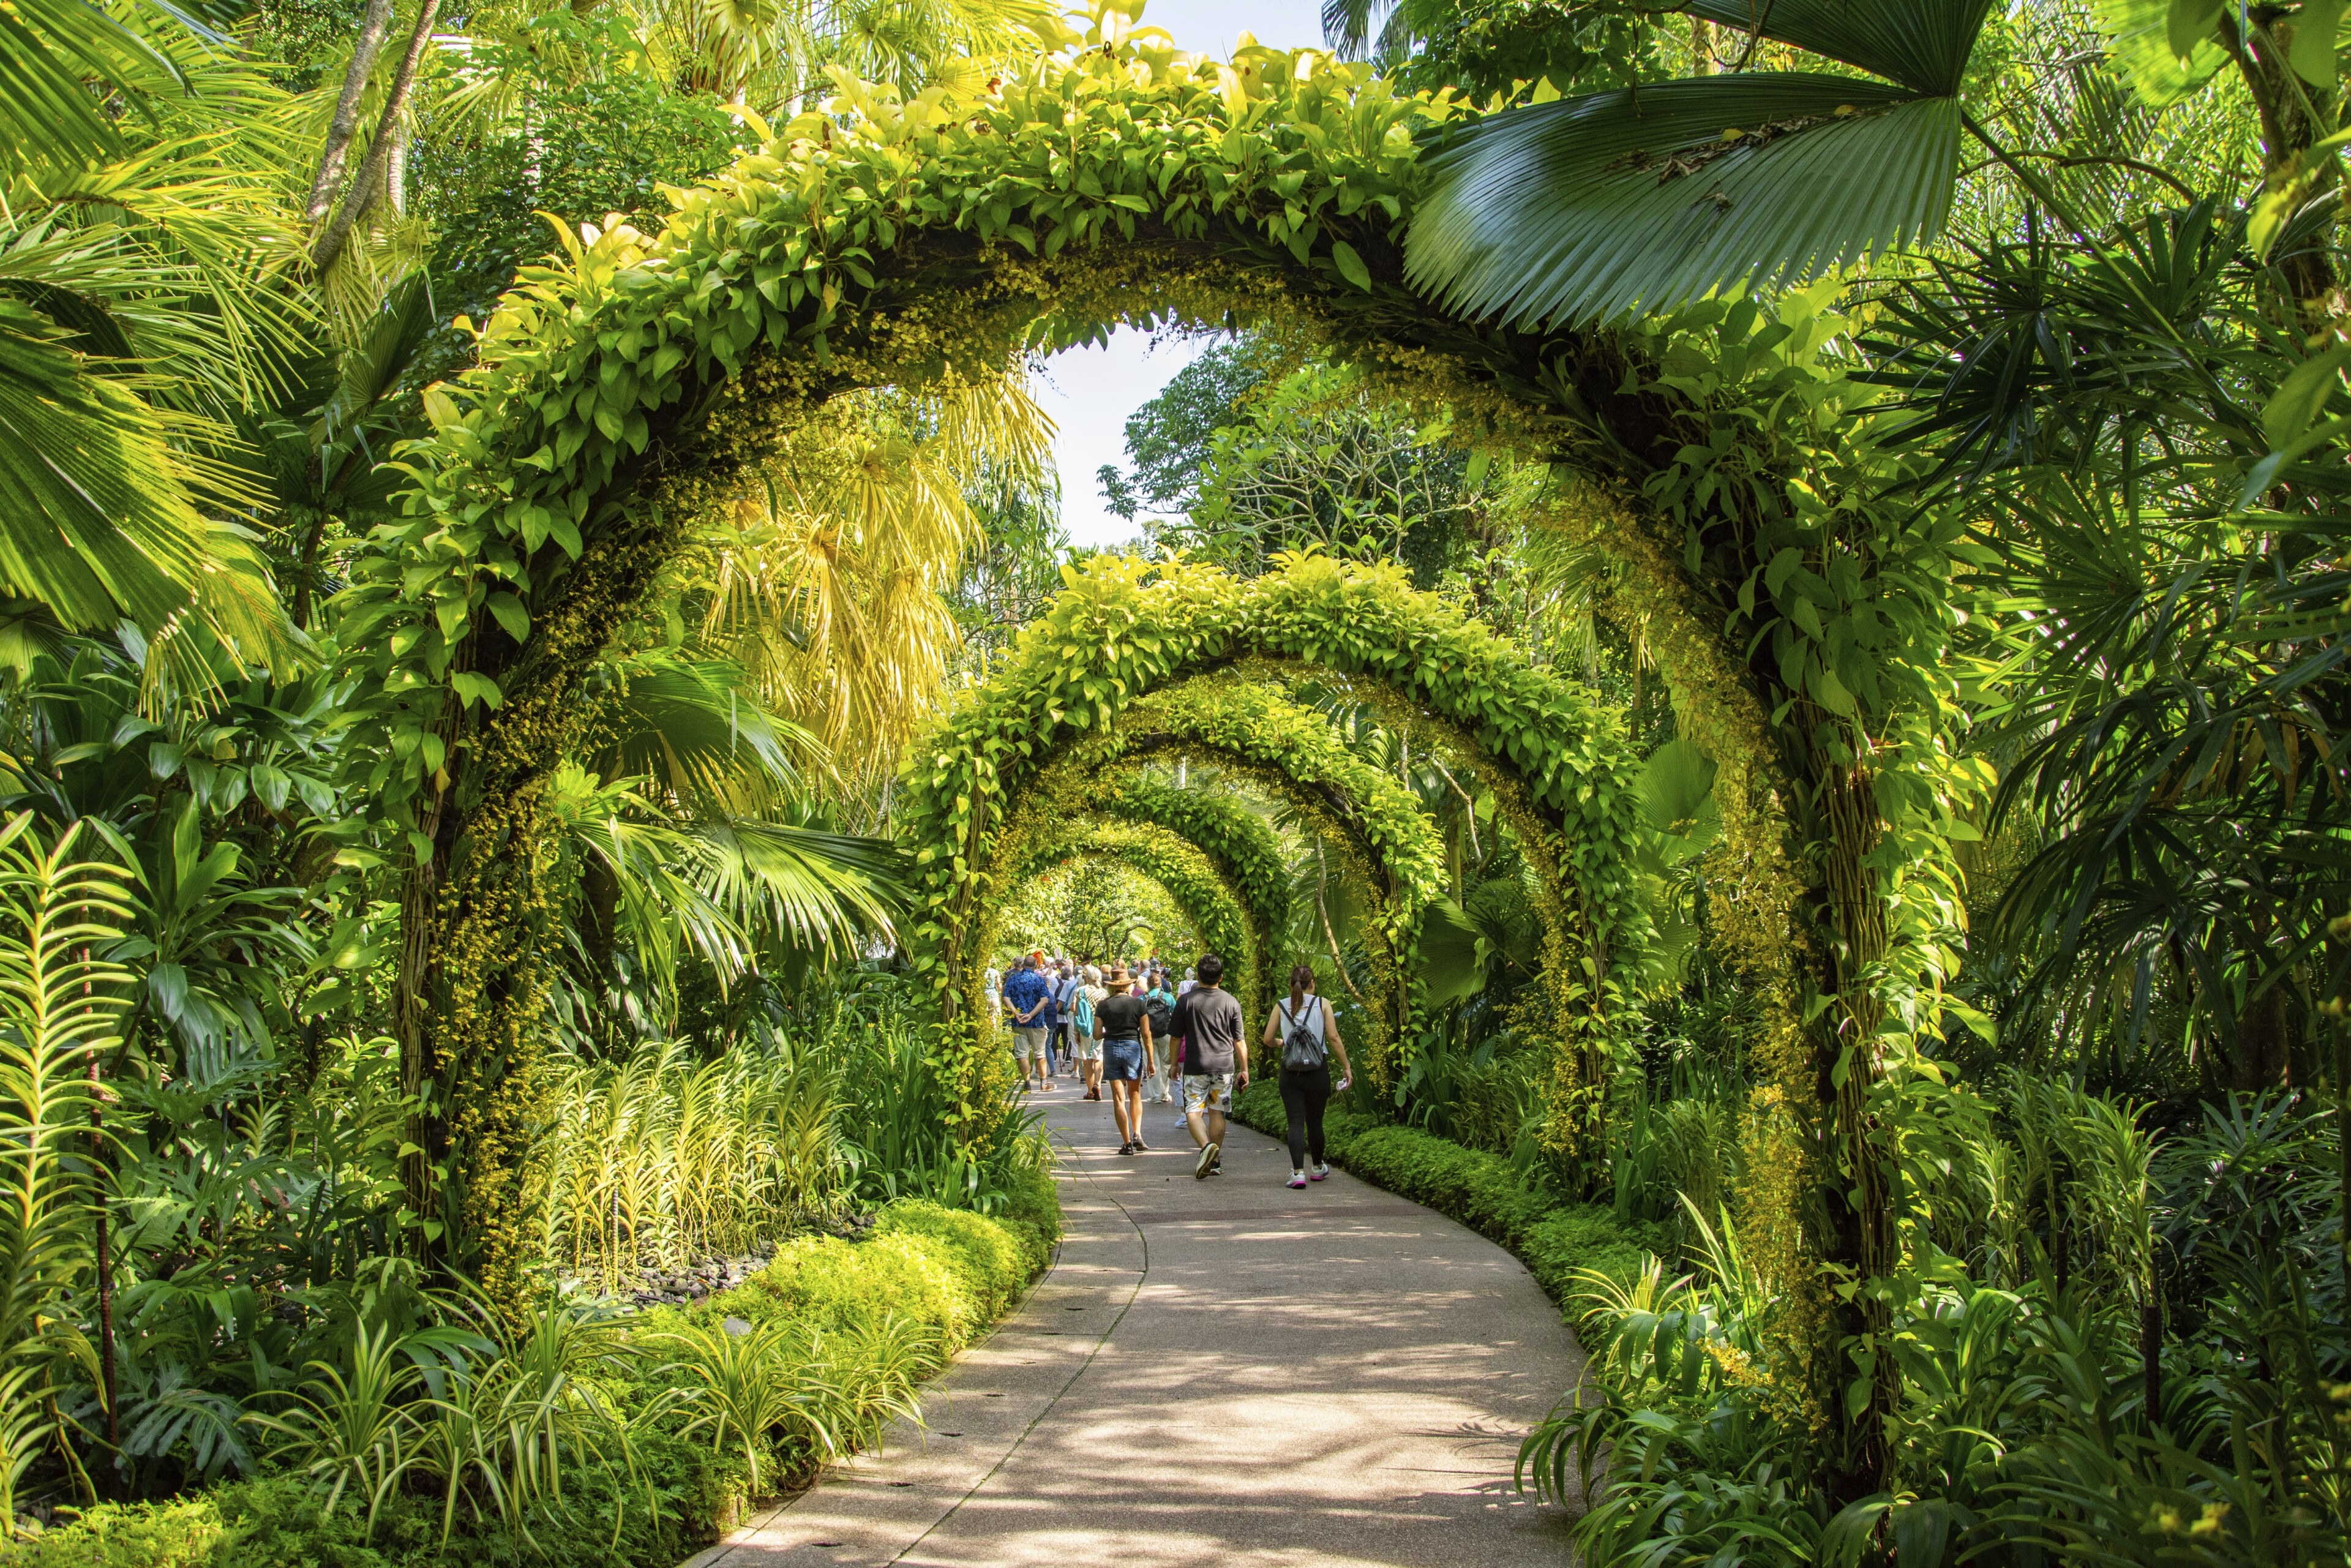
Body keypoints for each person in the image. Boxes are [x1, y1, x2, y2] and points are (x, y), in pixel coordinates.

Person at [1261, 963, 1352, 1188]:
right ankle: (1318, 1167)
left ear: (1290, 984)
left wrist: (1282, 1043)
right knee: (1315, 1122)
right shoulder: (1323, 1004)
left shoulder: (1280, 1006)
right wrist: (1346, 1066)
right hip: (1317, 1071)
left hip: (1290, 1072)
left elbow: (1267, 1039)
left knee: (1295, 1122)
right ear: (1312, 983)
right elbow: (1333, 1037)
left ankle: (1298, 1173)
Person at [1169, 953, 1247, 1179]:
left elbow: (1175, 1037)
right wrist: (1245, 1069)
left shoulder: (1186, 1001)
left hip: (1196, 1066)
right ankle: (1215, 1160)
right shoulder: (1231, 1001)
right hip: (1224, 1066)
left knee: (1193, 1112)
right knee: (1217, 1113)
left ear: (1199, 977)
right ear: (1221, 977)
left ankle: (1205, 1148)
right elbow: (1239, 1041)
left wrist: (1174, 1064)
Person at [1095, 964, 1153, 1154]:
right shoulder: (1138, 1004)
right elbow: (1146, 1034)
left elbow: (1096, 1034)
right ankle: (1138, 1134)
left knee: (1118, 1098)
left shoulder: (1103, 1005)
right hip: (1132, 1048)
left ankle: (1127, 1144)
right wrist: (1151, 1061)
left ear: (1111, 986)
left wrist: (1111, 1032)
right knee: (1135, 1093)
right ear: (1128, 985)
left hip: (1111, 1047)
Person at [1000, 956, 1053, 1091]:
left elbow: (1005, 997)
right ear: (1036, 966)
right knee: (1040, 1053)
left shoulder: (1013, 979)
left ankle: (1027, 1084)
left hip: (1018, 1022)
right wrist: (1031, 1015)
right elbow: (1045, 1000)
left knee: (1022, 1053)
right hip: (1036, 1022)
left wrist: (1016, 1013)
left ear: (1023, 965)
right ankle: (1043, 1083)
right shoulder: (1039, 980)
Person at [1074, 964, 1108, 1101]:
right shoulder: (1105, 993)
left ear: (1087, 978)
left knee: (1087, 1059)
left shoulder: (1081, 991)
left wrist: (1076, 1031)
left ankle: (1090, 1091)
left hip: (1086, 1029)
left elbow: (1077, 1013)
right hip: (1102, 1028)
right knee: (1099, 1058)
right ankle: (1098, 1085)